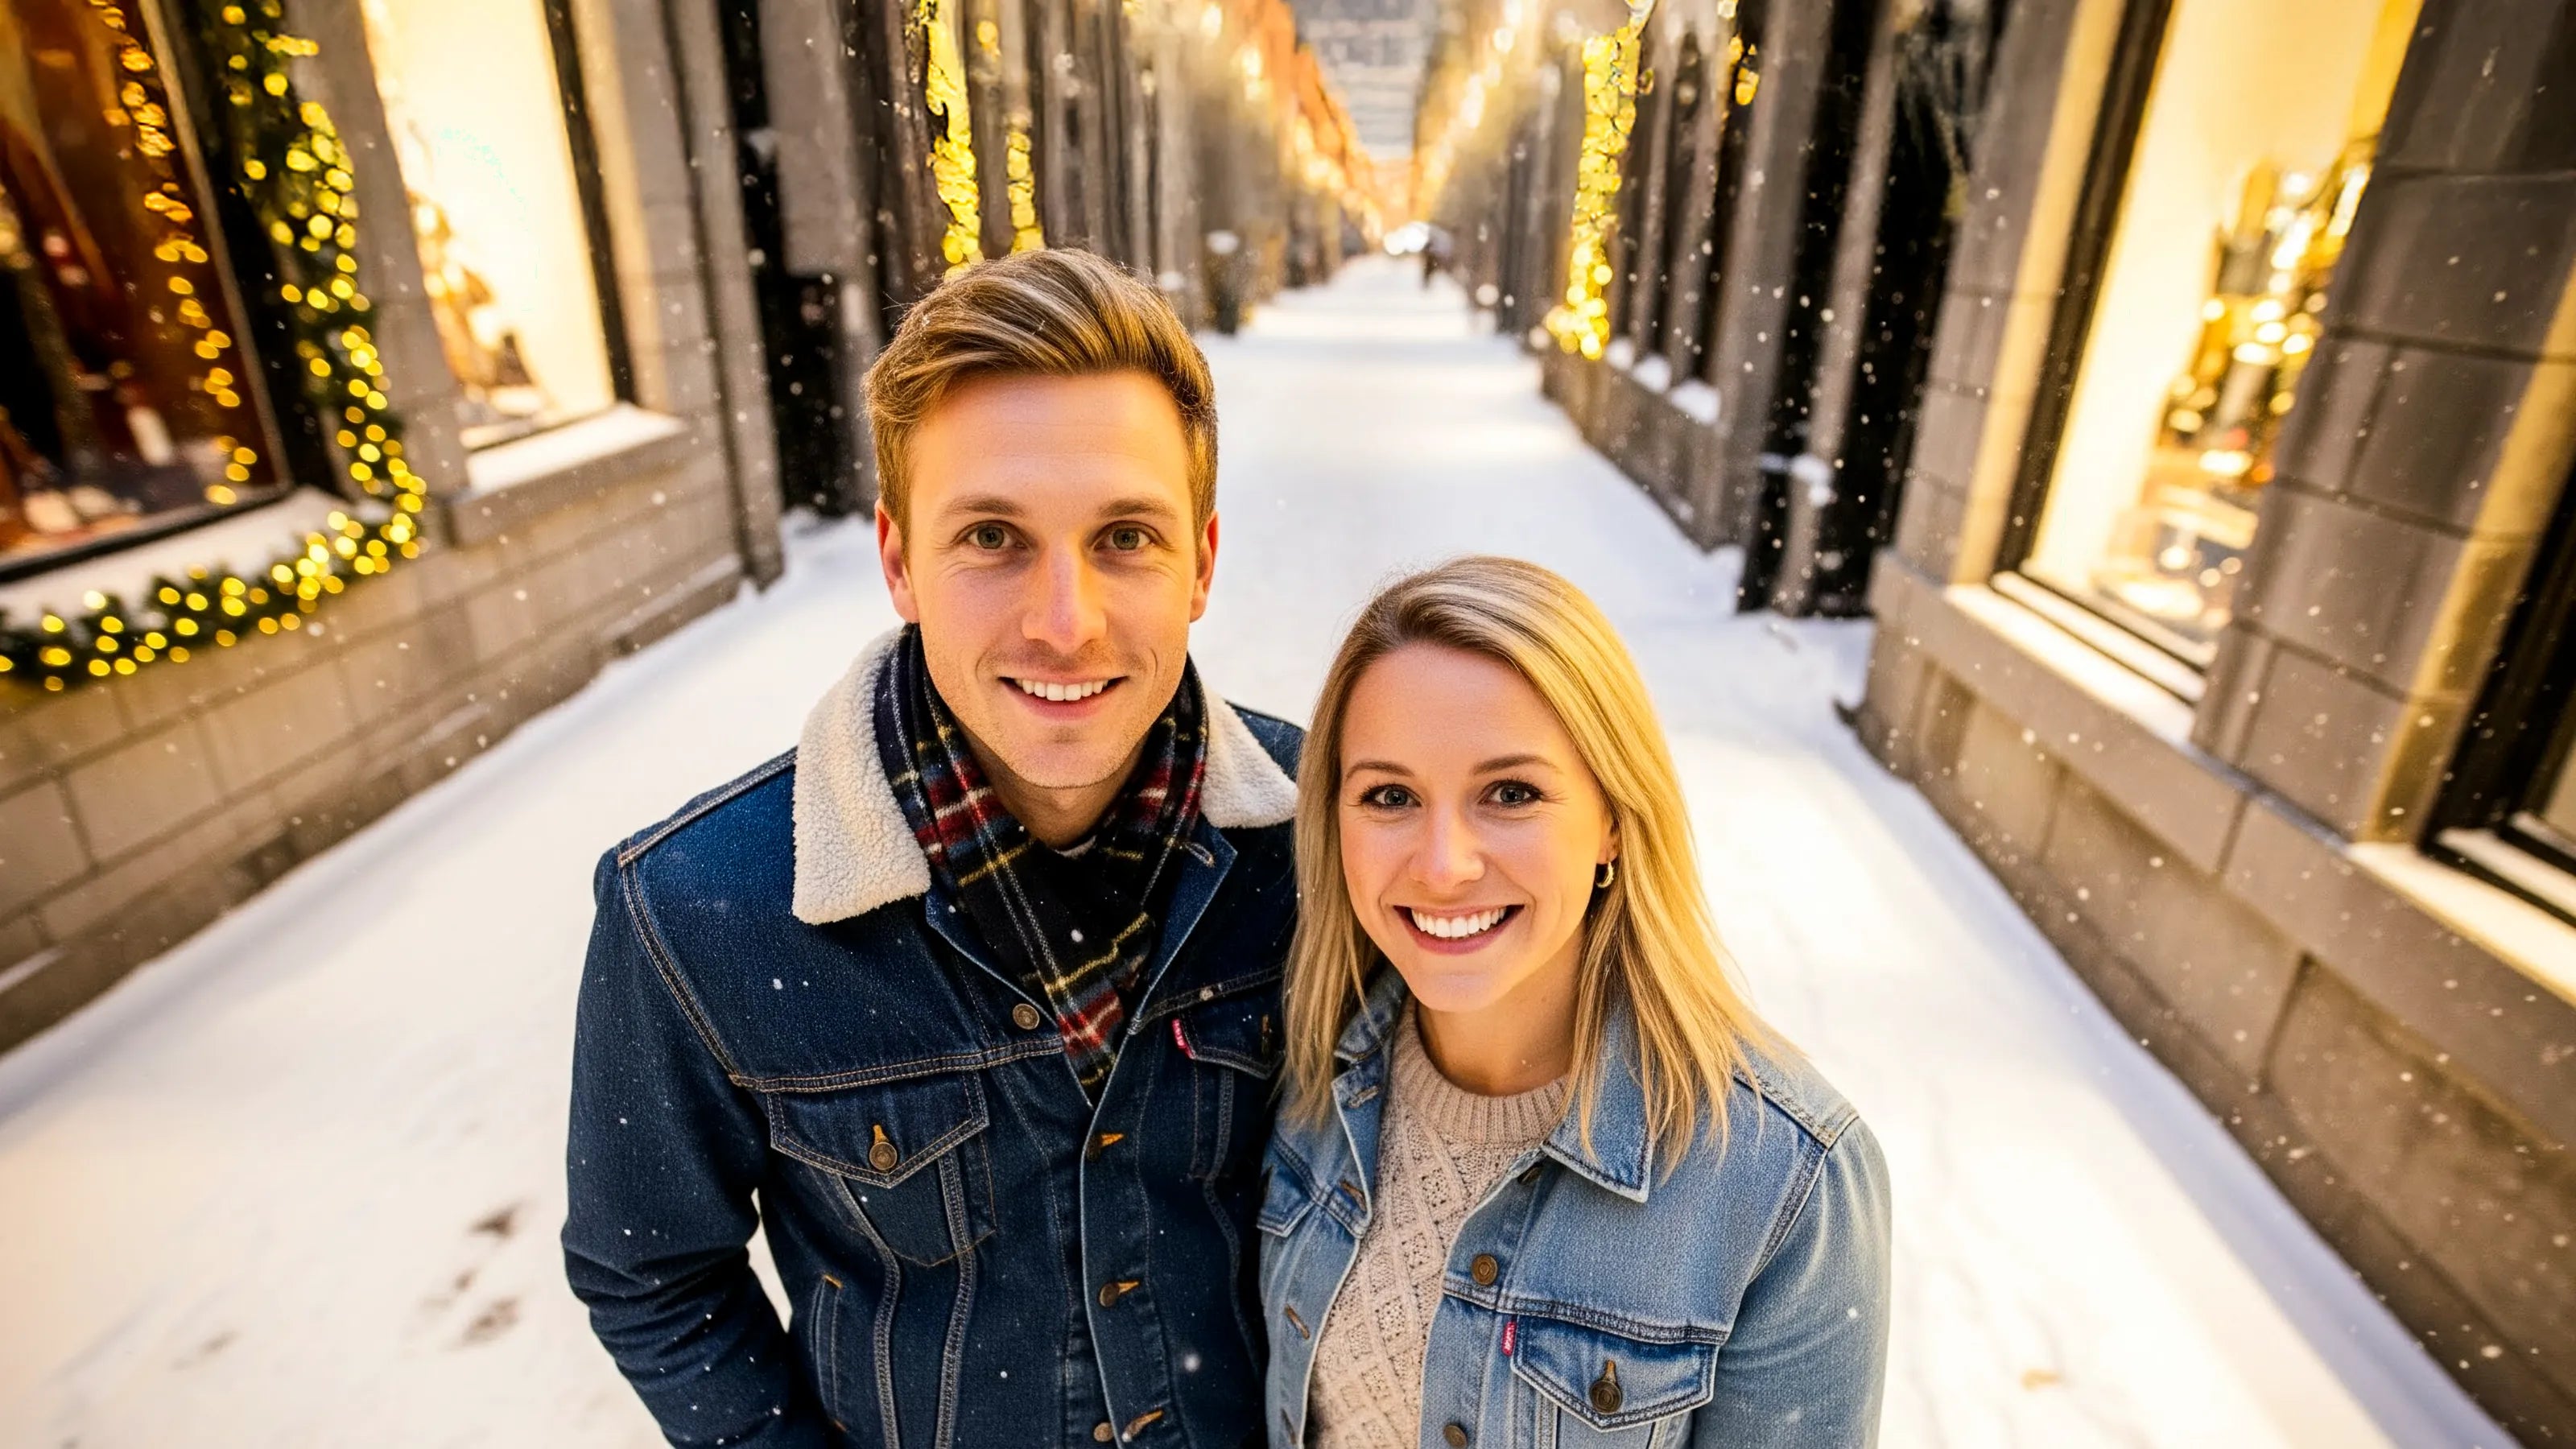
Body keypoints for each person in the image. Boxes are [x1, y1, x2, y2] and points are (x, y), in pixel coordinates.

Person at [564, 247, 1303, 1448]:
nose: (1064, 622)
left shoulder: (1323, 841)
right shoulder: (699, 912)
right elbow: (651, 1272)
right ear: (900, 561)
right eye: (992, 537)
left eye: (1125, 537)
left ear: (1201, 566)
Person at [1259, 557, 1893, 1448]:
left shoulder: (1781, 1180)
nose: (1442, 865)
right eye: (1390, 796)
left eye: (1510, 794)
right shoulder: (1302, 1056)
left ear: (1612, 822)